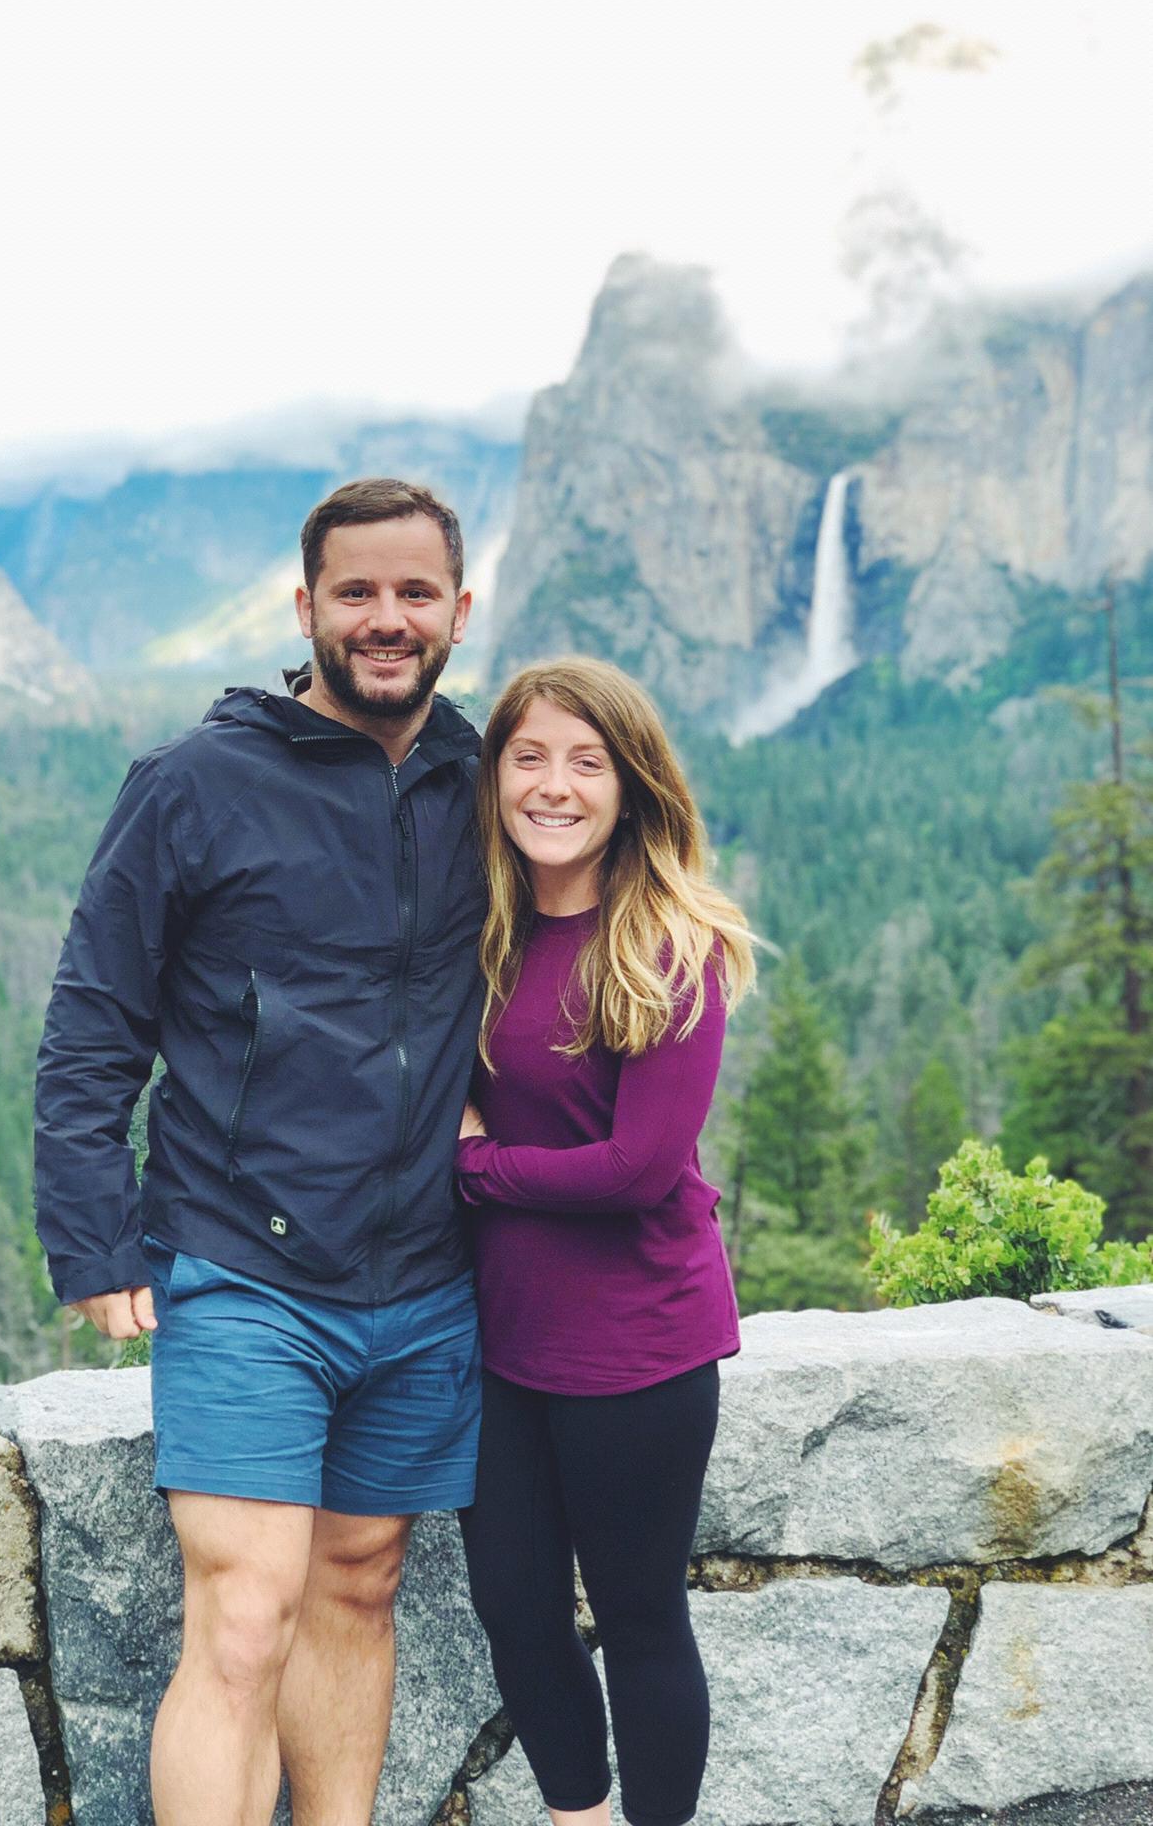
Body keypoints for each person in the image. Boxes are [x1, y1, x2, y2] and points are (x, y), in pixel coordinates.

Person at [33, 479, 487, 1826]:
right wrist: (95, 1232)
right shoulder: (193, 785)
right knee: (242, 1614)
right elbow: (91, 1023)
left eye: (415, 594)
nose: (386, 620)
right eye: (357, 593)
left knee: (360, 1584)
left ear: (460, 610)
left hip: (424, 1274)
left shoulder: (483, 775)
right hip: (243, 1270)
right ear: (305, 609)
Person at [454, 656, 756, 1826]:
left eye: (587, 761)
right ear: (497, 776)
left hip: (639, 1339)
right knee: (516, 1607)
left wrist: (471, 1164)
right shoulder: (479, 931)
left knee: (637, 1612)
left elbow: (635, 1170)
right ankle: (577, 1814)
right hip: (499, 1336)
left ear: (630, 785)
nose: (555, 785)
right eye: (529, 755)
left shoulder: (666, 944)